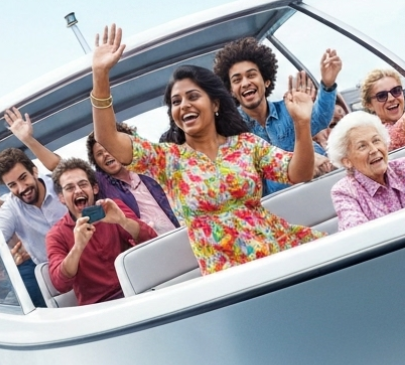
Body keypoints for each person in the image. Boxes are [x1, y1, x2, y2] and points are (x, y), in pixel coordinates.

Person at [88, 24, 322, 275]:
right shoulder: (167, 159)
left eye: (193, 96)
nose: (184, 105)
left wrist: (301, 123)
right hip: (230, 280)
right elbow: (108, 139)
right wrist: (100, 75)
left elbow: (299, 173)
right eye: (176, 101)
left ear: (215, 104)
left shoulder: (247, 144)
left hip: (284, 257)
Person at [213, 37, 342, 193]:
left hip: (319, 189)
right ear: (231, 91)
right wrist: (306, 162)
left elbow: (320, 118)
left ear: (266, 81)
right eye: (237, 80)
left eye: (251, 75)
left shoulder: (289, 108)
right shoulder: (230, 131)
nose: (245, 83)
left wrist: (327, 85)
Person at [45, 158, 156, 305]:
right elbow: (59, 284)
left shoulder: (113, 208)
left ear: (95, 188)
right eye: (70, 188)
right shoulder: (56, 235)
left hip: (137, 291)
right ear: (61, 198)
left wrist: (123, 221)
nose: (78, 190)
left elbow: (152, 242)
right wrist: (78, 247)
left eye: (83, 184)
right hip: (99, 306)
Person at [0, 147, 67, 307]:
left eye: (23, 178)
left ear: (34, 171)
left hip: (88, 261)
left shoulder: (60, 185)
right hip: (54, 282)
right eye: (12, 185)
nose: (21, 188)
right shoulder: (11, 207)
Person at [85, 122, 180, 235]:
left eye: (109, 148)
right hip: (148, 243)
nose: (106, 154)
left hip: (183, 232)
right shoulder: (99, 185)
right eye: (99, 153)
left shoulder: (150, 165)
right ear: (95, 162)